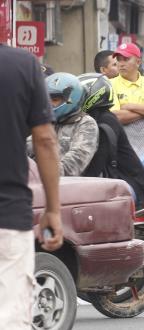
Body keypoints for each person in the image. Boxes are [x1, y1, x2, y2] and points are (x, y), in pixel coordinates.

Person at [79, 73, 144, 278]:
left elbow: (94, 166)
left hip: (131, 185)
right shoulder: (92, 120)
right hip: (118, 181)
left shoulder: (104, 124)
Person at [0, 44, 62, 328]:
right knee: (10, 317)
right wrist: (53, 210)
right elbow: (46, 141)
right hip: (8, 216)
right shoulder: (23, 65)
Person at [27, 72, 99, 176]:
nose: (50, 104)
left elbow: (74, 164)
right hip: (41, 182)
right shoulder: (48, 123)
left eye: (55, 99)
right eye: (47, 99)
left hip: (73, 186)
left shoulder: (85, 124)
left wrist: (40, 173)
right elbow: (27, 149)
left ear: (71, 98)